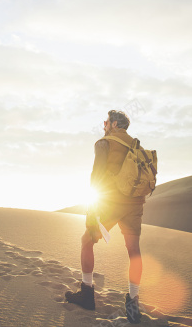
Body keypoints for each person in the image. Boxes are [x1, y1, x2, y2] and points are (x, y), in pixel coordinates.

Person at [65, 110, 145, 324]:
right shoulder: (136, 145)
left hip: (112, 203)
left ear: (115, 124)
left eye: (106, 122)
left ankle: (87, 294)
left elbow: (96, 175)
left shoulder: (105, 143)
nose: (104, 126)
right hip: (135, 203)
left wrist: (92, 208)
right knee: (134, 251)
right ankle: (133, 303)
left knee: (85, 241)